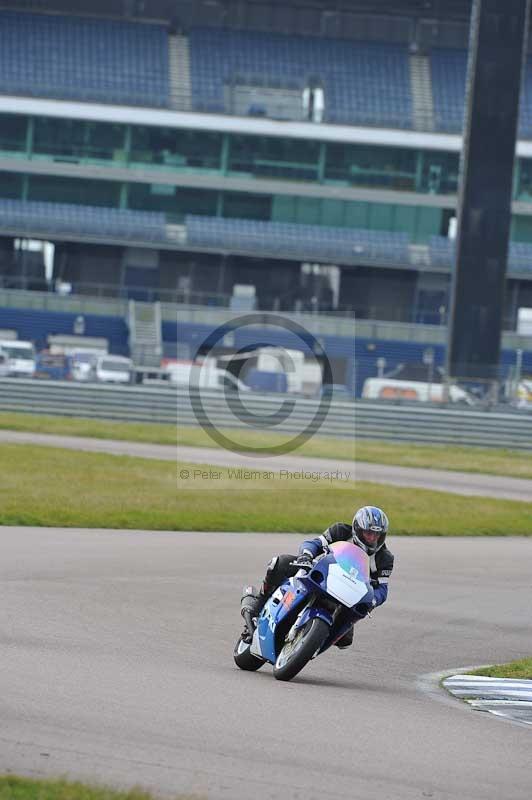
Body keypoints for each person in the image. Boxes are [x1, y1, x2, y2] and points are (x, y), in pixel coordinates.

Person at [241, 506, 394, 648]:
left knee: (345, 639)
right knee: (279, 563)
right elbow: (313, 543)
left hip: (348, 594)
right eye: (369, 533)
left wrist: (373, 600)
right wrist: (306, 555)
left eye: (377, 535)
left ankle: (309, 645)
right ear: (358, 529)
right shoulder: (340, 531)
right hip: (321, 574)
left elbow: (382, 589)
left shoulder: (385, 558)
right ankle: (257, 608)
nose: (372, 538)